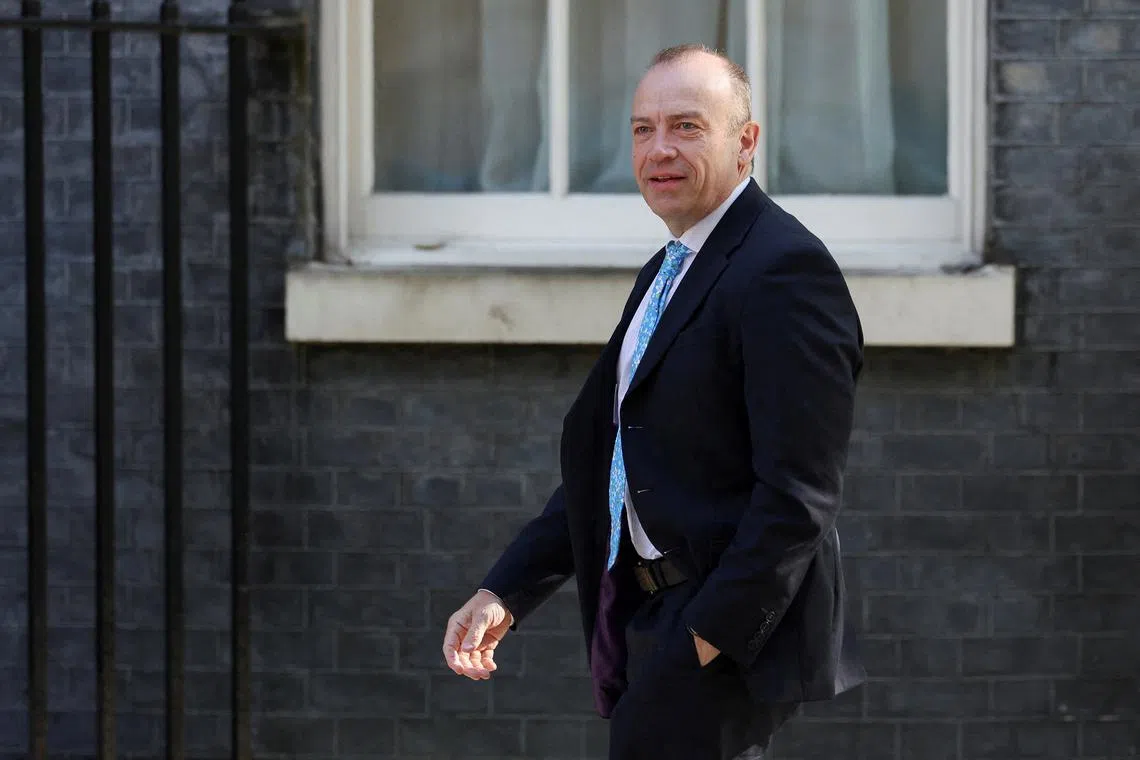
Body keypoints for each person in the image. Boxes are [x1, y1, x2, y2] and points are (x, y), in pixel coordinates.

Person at [442, 43, 865, 760]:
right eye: (644, 129)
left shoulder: (784, 270)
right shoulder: (672, 267)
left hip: (721, 636)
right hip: (652, 615)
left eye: (687, 126)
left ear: (746, 141)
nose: (659, 149)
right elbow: (611, 462)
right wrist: (505, 591)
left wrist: (706, 638)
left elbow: (800, 496)